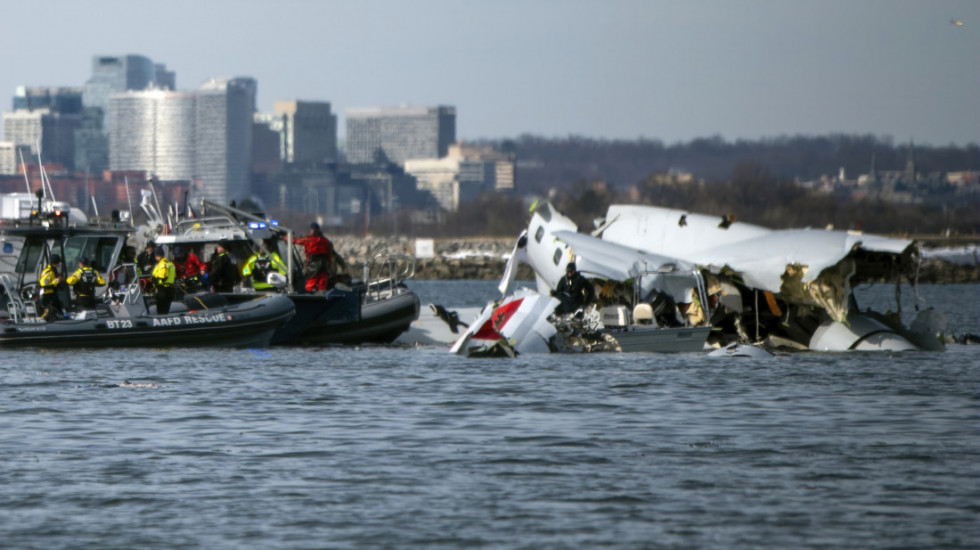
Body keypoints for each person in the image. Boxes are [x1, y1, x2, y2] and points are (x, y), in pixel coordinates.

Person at [294, 222, 333, 292]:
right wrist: (329, 266)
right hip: (324, 266)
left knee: (311, 284)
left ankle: (309, 297)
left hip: (313, 266)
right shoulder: (326, 241)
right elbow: (329, 256)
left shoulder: (308, 240)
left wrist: (286, 237)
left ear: (311, 230)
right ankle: (322, 297)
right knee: (322, 284)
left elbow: (296, 241)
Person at [39, 253, 67, 321]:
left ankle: (62, 318)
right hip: (48, 295)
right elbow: (43, 284)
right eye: (59, 262)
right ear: (56, 262)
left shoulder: (52, 270)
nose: (59, 264)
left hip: (52, 294)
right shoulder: (49, 272)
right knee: (51, 310)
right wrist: (57, 281)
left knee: (59, 308)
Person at [151, 247, 176, 314]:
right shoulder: (169, 263)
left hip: (163, 289)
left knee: (161, 309)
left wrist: (155, 280)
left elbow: (163, 276)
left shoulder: (163, 264)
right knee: (166, 308)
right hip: (168, 288)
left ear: (158, 255)